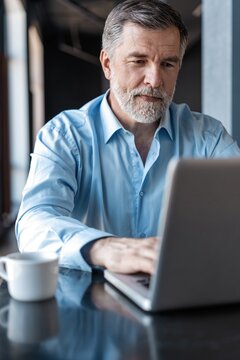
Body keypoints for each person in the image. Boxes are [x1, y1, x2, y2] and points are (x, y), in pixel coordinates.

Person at [16, 0, 240, 274]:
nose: (155, 79)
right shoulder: (64, 135)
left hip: (182, 290)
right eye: (139, 61)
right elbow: (33, 224)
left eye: (168, 64)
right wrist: (104, 248)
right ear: (108, 64)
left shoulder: (209, 136)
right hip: (90, 301)